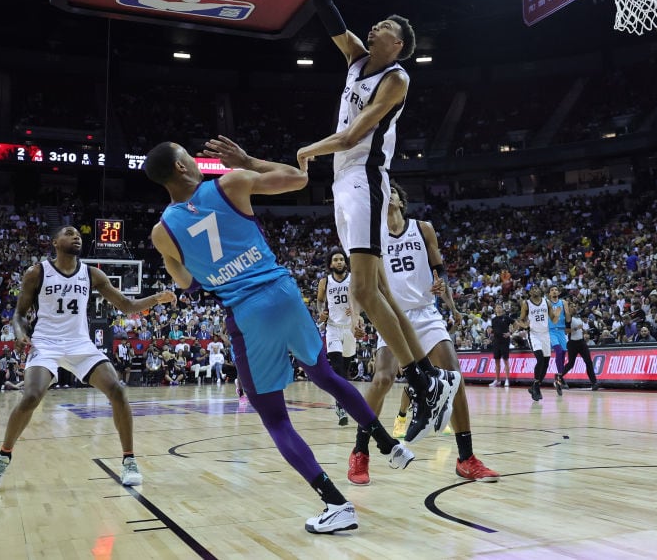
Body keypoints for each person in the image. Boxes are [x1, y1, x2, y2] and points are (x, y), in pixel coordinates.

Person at [145, 136, 414, 534]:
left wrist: (189, 263)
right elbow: (295, 179)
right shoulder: (232, 182)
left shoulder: (161, 232)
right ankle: (389, 443)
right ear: (182, 167)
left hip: (248, 312)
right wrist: (248, 160)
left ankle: (336, 504)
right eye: (190, 155)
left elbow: (185, 281)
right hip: (283, 291)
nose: (197, 160)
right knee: (326, 375)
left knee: (275, 419)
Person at [294, 0, 459, 444]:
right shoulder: (358, 59)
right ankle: (427, 378)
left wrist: (306, 150)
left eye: (386, 25)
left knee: (365, 290)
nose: (374, 27)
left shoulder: (397, 78)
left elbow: (352, 137)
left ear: (400, 43)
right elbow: (326, 9)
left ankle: (421, 379)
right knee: (378, 288)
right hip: (345, 186)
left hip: (364, 178)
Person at [0, 226, 177, 493]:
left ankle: (129, 460)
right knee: (31, 396)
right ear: (55, 242)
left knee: (117, 389)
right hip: (46, 343)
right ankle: (3, 456)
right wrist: (19, 332)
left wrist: (156, 298)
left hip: (80, 343)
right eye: (69, 233)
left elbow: (127, 306)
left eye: (78, 235)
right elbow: (19, 314)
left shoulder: (92, 274)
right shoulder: (37, 272)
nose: (76, 237)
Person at [348, 181, 499, 486]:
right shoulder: (372, 236)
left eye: (391, 191)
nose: (386, 194)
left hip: (425, 311)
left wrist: (441, 282)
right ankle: (360, 451)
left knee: (454, 377)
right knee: (383, 379)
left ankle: (466, 458)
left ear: (401, 201)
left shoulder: (423, 228)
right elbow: (358, 280)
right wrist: (355, 314)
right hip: (390, 315)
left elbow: (439, 267)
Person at [317, 248, 358, 426]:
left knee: (345, 371)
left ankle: (342, 399)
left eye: (342, 259)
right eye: (336, 259)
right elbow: (319, 301)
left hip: (349, 328)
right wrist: (321, 313)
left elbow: (363, 298)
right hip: (333, 328)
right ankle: (341, 405)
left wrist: (357, 310)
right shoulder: (325, 281)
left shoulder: (353, 279)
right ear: (331, 264)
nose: (339, 262)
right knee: (337, 368)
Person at [519, 286, 555, 402]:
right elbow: (521, 319)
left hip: (545, 334)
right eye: (532, 289)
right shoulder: (526, 303)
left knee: (546, 363)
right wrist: (524, 325)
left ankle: (536, 386)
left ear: (540, 291)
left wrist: (558, 315)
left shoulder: (547, 302)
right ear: (530, 292)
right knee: (540, 359)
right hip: (534, 334)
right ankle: (535, 385)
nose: (535, 290)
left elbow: (553, 318)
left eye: (536, 289)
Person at [561, 302, 600, 390]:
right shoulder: (568, 318)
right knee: (571, 364)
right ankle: (559, 376)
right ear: (568, 309)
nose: (574, 307)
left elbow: (579, 326)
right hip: (572, 343)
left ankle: (594, 382)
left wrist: (583, 331)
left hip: (581, 342)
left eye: (575, 306)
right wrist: (576, 328)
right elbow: (566, 331)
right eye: (572, 306)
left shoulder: (578, 316)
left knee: (589, 362)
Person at [548, 286, 570, 395]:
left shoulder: (563, 302)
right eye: (552, 290)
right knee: (559, 351)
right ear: (549, 294)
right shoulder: (547, 303)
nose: (554, 291)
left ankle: (558, 376)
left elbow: (568, 319)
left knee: (564, 353)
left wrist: (568, 312)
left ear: (559, 292)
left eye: (556, 289)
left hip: (561, 331)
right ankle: (559, 378)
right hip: (551, 331)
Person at [488, 304, 514, 387]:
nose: (498, 309)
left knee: (505, 360)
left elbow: (516, 324)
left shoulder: (506, 318)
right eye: (497, 307)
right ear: (495, 309)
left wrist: (510, 333)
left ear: (502, 309)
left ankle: (507, 379)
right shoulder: (493, 320)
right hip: (496, 341)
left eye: (500, 307)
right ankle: (497, 380)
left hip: (505, 341)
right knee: (497, 361)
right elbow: (493, 331)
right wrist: (490, 331)